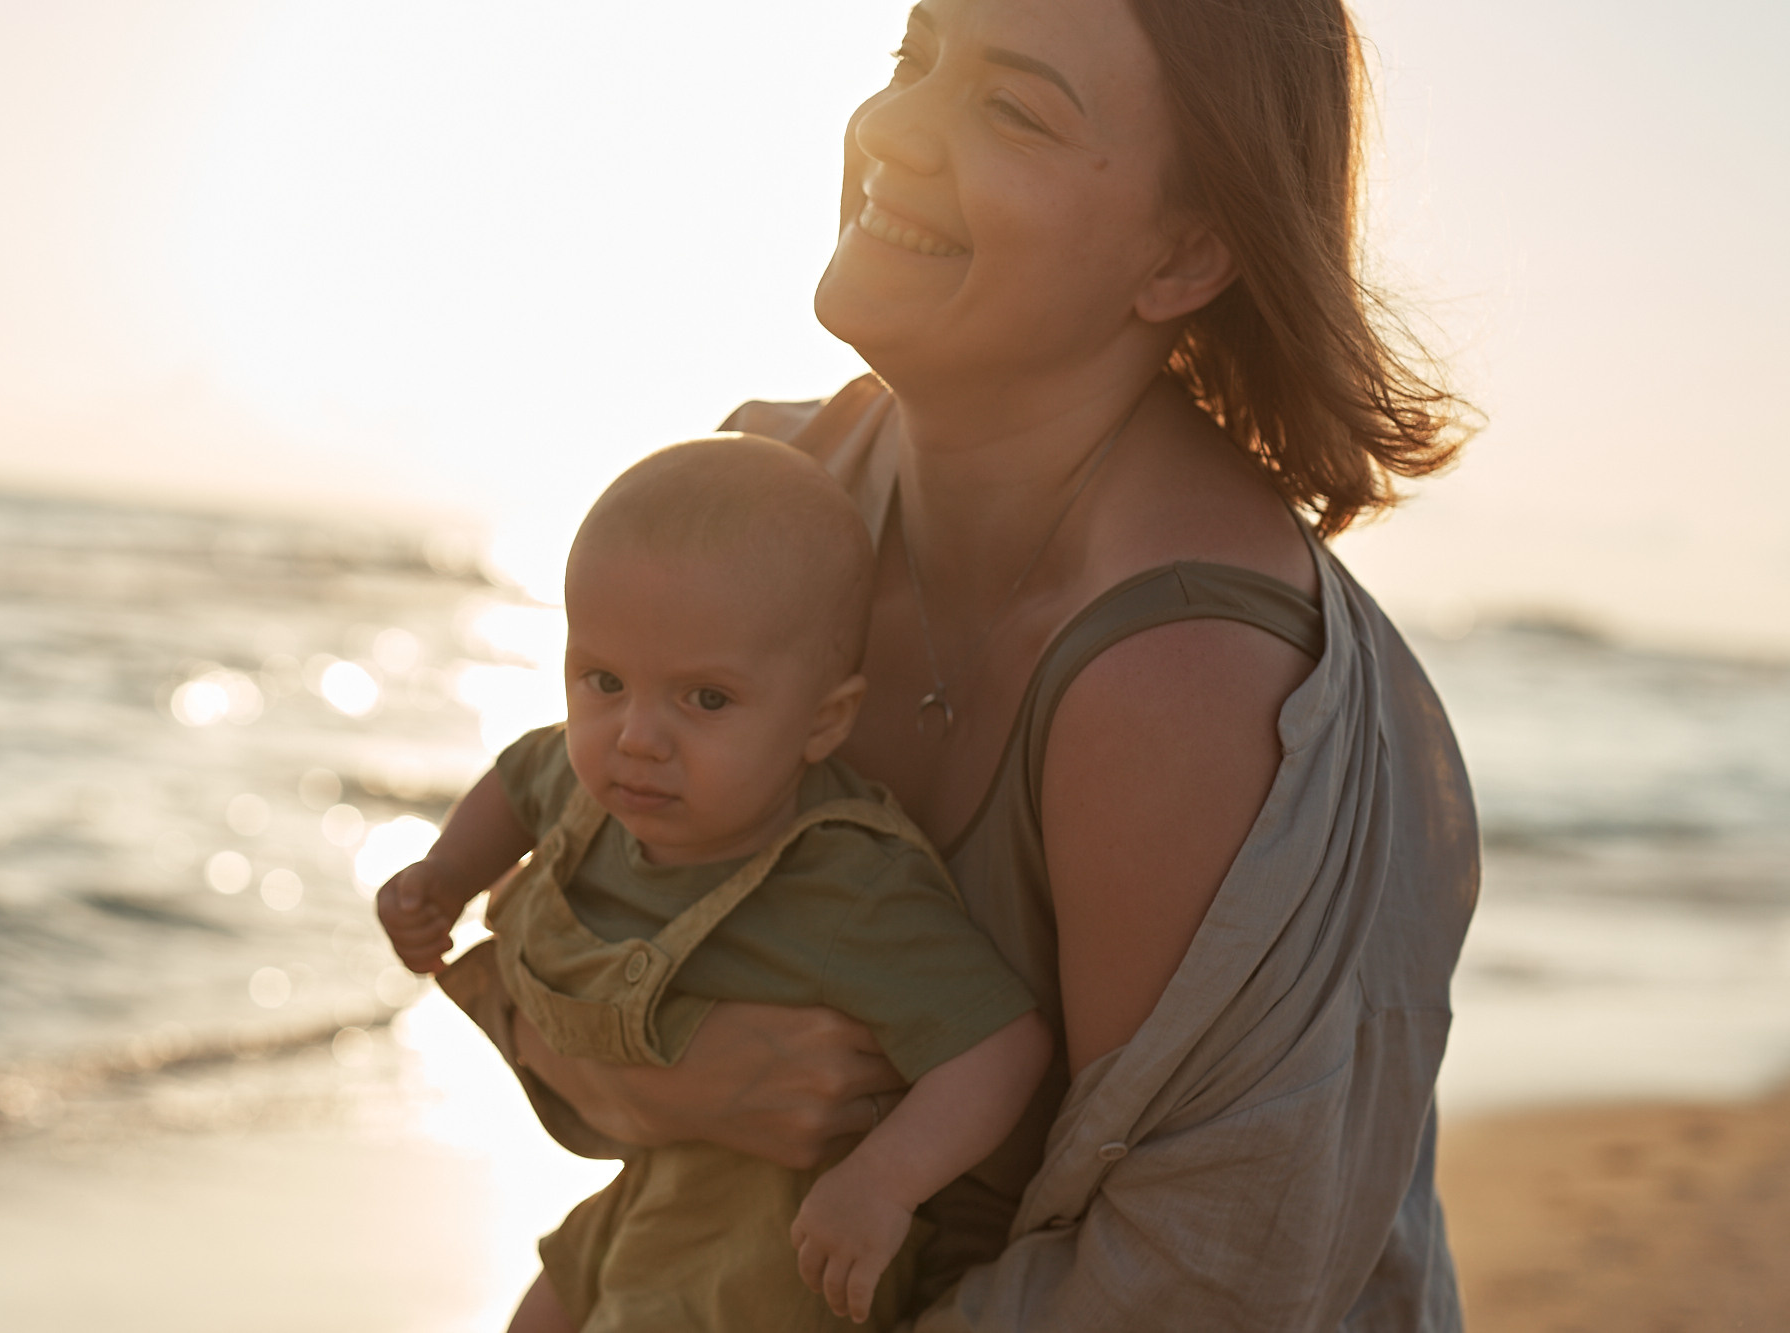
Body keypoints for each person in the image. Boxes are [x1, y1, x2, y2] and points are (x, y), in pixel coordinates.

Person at [409, 0, 1481, 1326]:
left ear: (1186, 251)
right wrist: (681, 1080)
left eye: (1011, 106)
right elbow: (552, 910)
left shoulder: (1192, 679)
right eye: (913, 60)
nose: (894, 126)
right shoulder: (774, 497)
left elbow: (1208, 1279)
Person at [382, 436, 1052, 1331]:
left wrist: (882, 1180)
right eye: (605, 680)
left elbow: (1002, 1047)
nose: (637, 737)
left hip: (766, 1261)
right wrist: (444, 876)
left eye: (705, 699)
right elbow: (517, 780)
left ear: (824, 720)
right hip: (639, 1198)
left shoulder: (845, 882)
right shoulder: (588, 790)